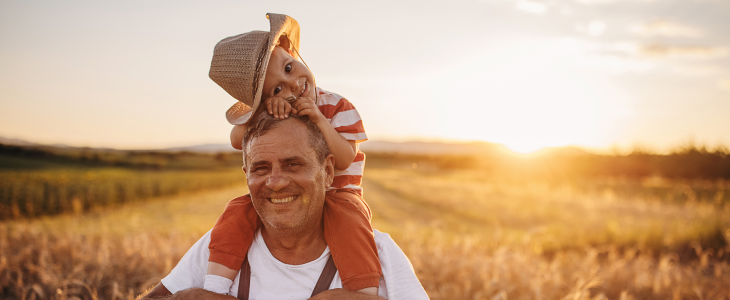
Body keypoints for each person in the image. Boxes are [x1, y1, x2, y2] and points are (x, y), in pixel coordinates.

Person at [140, 113, 429, 299]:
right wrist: (186, 298)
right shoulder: (220, 247)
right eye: (261, 168)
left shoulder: (379, 252)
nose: (275, 182)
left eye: (293, 164)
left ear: (328, 171)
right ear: (247, 176)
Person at [203, 13, 379, 296]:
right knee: (237, 210)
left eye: (289, 67)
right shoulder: (274, 109)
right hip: (297, 196)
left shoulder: (337, 106)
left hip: (340, 195)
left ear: (292, 50)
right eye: (276, 88)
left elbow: (345, 158)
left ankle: (364, 291)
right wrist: (259, 110)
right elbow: (238, 140)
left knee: (351, 223)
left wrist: (320, 119)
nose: (293, 85)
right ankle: (214, 287)